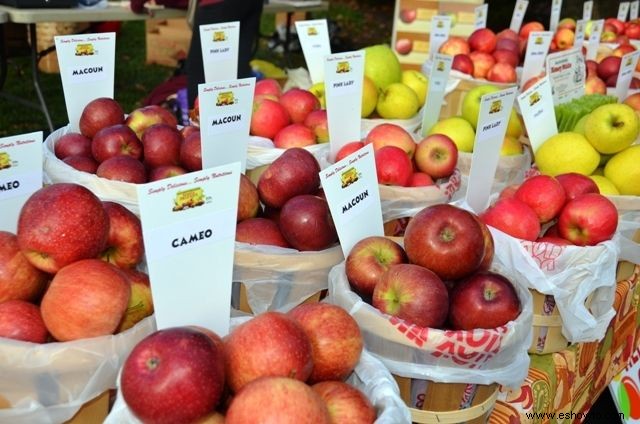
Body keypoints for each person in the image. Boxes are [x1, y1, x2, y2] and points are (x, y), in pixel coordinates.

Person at [185, 0, 264, 106]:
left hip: (218, 4)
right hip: (251, 3)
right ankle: (239, 114)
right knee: (238, 64)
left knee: (201, 70)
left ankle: (200, 119)